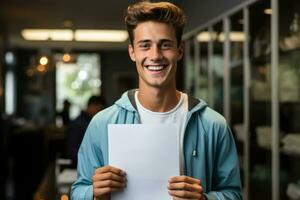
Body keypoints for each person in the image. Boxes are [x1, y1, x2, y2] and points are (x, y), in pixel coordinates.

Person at [71, 1, 242, 200]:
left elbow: (234, 194)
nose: (155, 56)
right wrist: (93, 193)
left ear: (179, 50)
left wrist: (204, 199)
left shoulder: (213, 125)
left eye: (165, 45)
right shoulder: (102, 124)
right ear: (132, 52)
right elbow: (77, 191)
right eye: (145, 45)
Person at [66, 95, 106, 165]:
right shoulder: (77, 124)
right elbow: (72, 151)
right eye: (99, 110)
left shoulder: (95, 122)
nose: (100, 113)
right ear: (92, 106)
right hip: (80, 166)